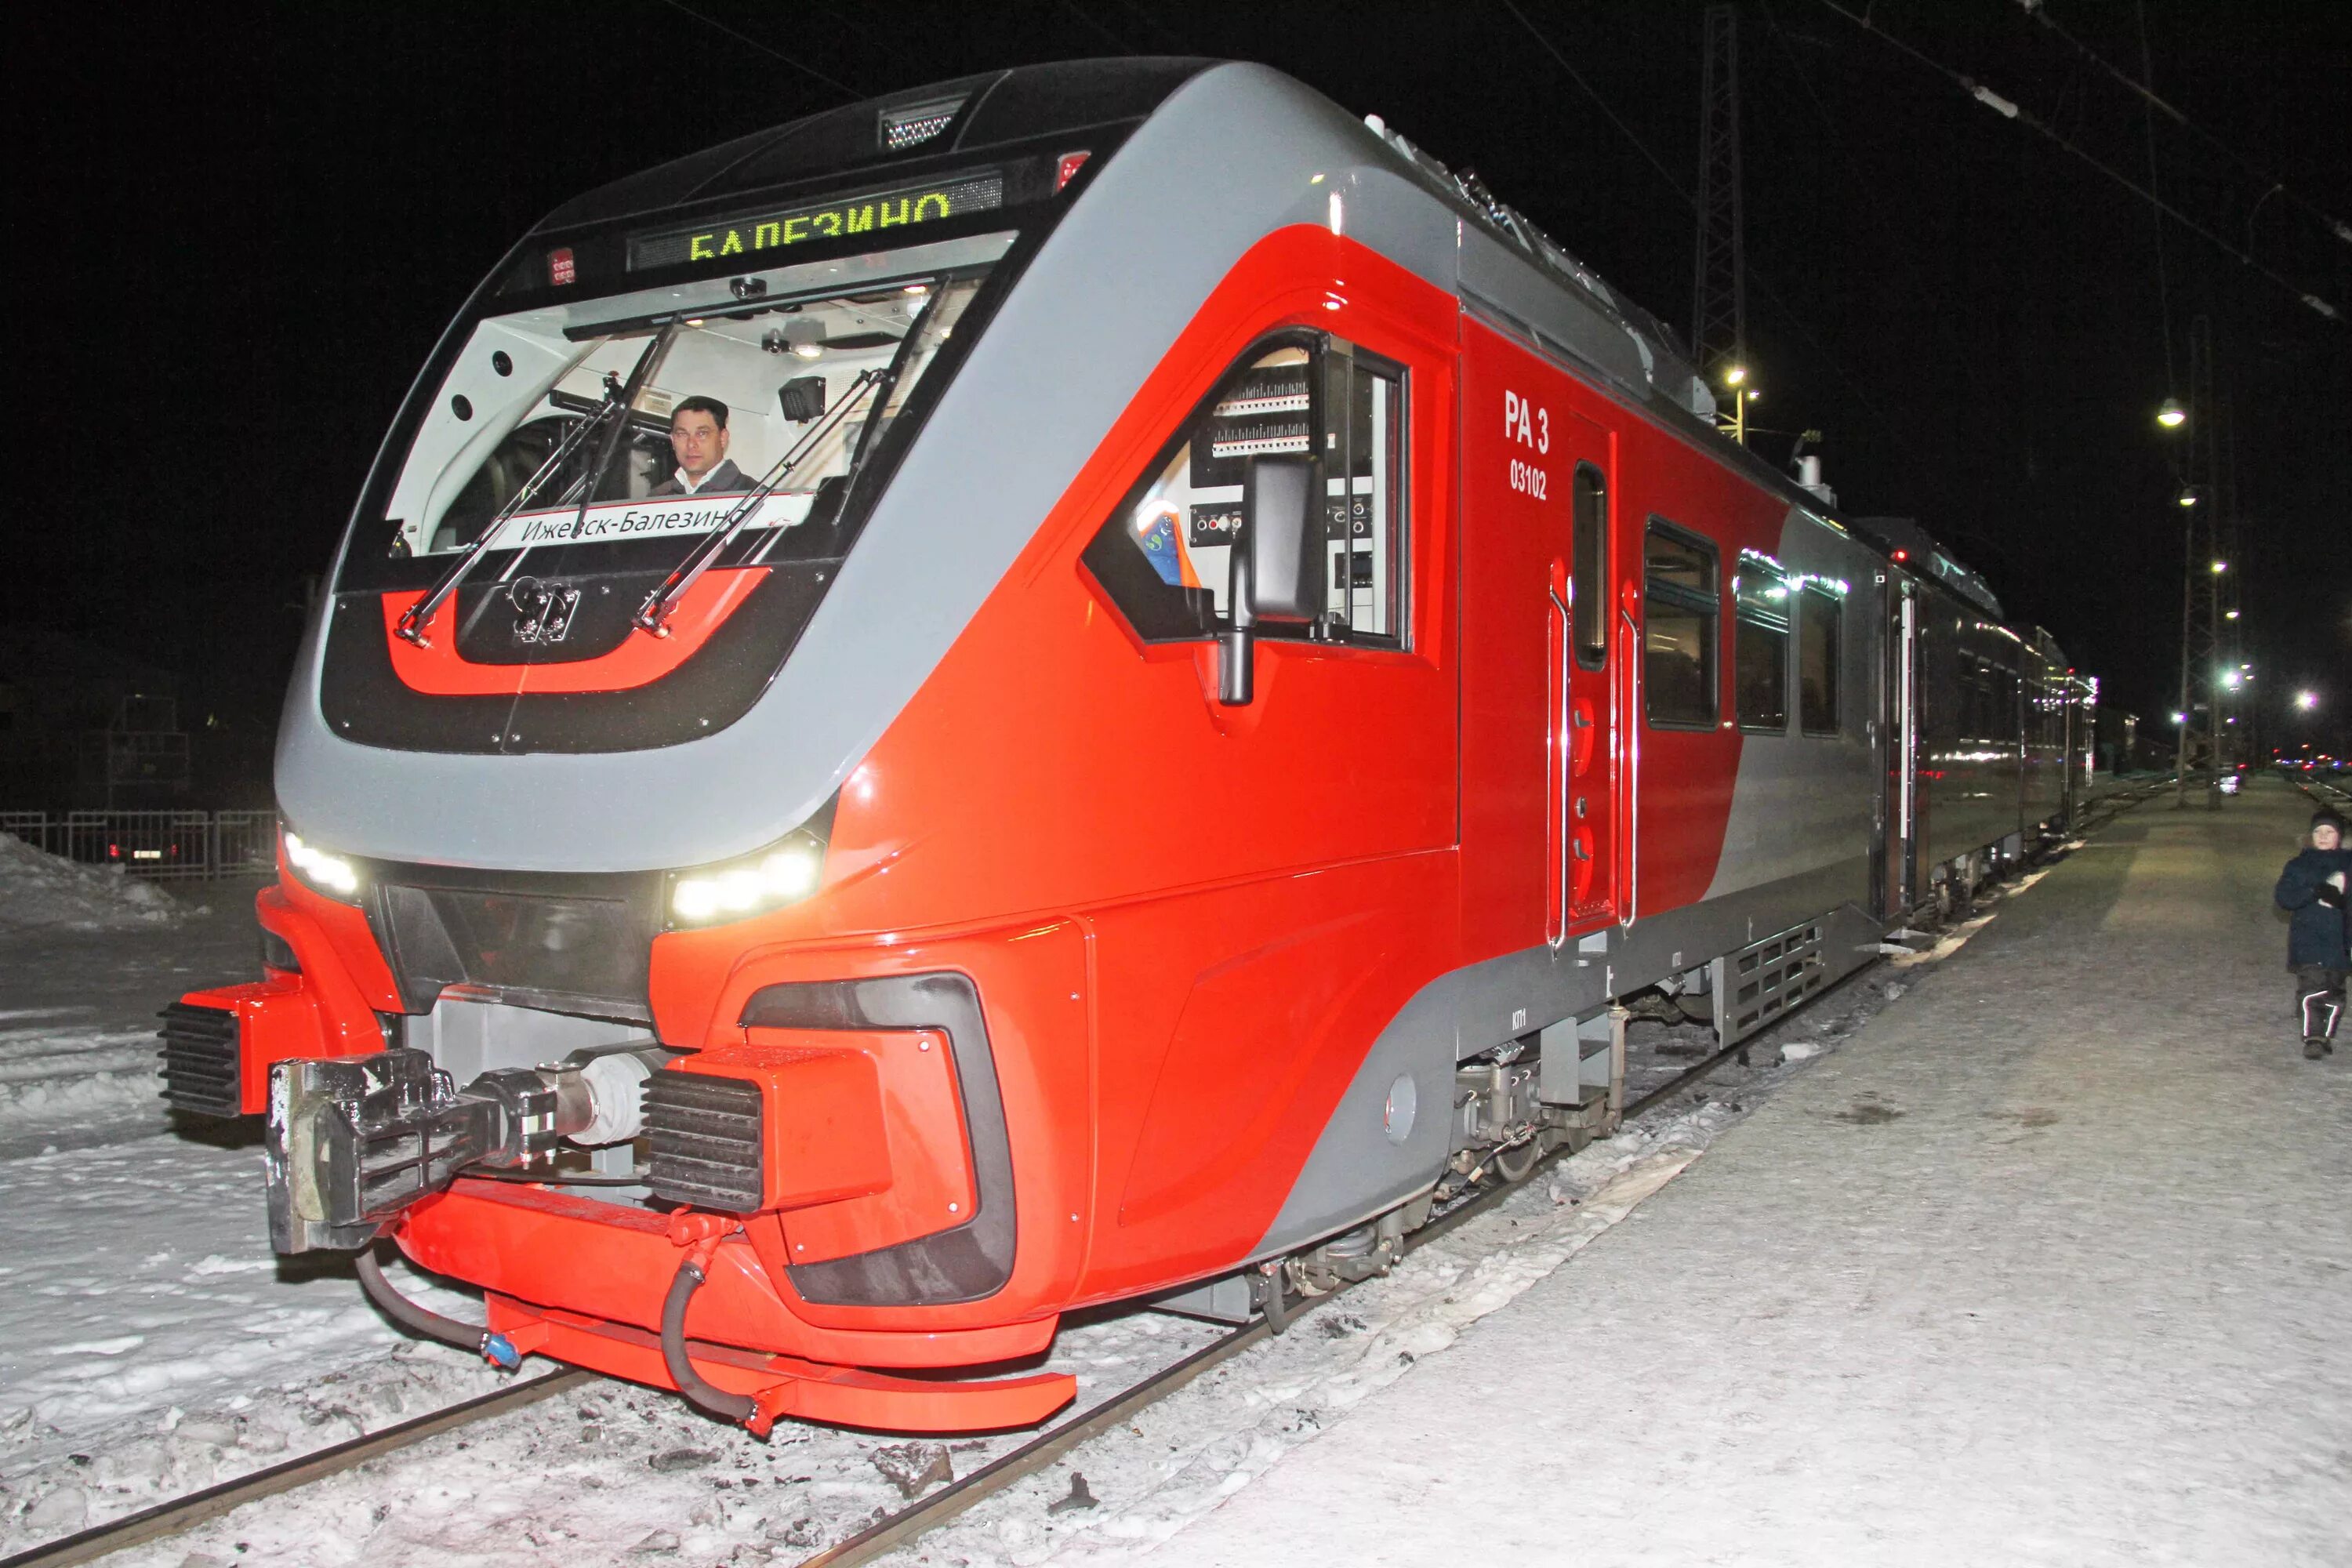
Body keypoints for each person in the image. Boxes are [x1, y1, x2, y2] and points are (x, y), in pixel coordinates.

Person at [2273, 808, 2350, 1059]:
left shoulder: (2349, 865)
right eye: (2319, 831)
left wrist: (2343, 901)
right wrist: (2315, 892)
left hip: (2340, 942)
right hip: (2309, 940)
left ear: (2339, 836)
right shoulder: (2299, 865)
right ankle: (2313, 1037)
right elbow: (2284, 898)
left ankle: (2325, 1035)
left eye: (2330, 831)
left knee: (2335, 992)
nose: (2324, 836)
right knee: (2312, 989)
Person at [650, 397, 754, 496]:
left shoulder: (756, 496)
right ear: (673, 441)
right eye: (682, 434)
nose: (691, 444)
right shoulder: (655, 499)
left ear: (723, 438)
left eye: (702, 434)